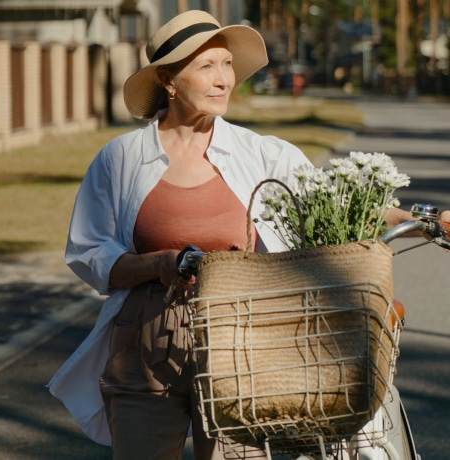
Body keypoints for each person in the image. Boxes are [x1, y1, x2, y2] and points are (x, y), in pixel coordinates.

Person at [48, 10, 450, 460]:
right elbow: (90, 253)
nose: (224, 79)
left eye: (226, 64)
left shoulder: (260, 153)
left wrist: (423, 217)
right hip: (147, 345)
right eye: (206, 67)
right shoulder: (120, 159)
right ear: (168, 80)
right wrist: (160, 263)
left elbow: (332, 201)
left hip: (241, 345)